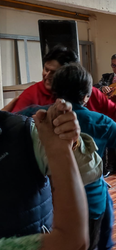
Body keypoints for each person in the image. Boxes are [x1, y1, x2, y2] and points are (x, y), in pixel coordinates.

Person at [19, 62, 116, 249]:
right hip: (90, 202)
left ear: (55, 91)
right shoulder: (98, 121)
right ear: (86, 96)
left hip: (50, 205)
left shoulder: (36, 114)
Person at [0, 100, 92, 249]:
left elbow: (89, 170)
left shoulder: (23, 129)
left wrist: (72, 143)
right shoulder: (29, 98)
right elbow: (72, 241)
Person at [10, 46, 116, 124]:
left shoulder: (90, 93)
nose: (46, 75)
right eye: (46, 69)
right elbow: (12, 127)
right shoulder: (31, 94)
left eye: (54, 72)